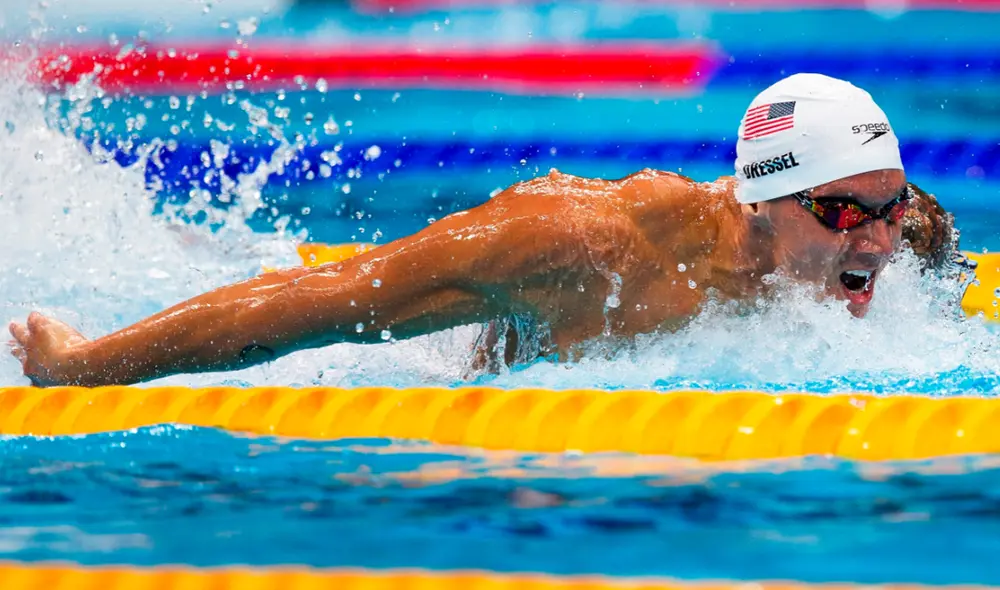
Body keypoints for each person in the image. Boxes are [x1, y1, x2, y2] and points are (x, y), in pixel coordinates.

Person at [8, 73, 962, 386]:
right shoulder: (587, 248)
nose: (879, 242)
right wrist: (84, 365)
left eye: (890, 208)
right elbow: (320, 302)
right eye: (843, 213)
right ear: (760, 200)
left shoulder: (904, 235)